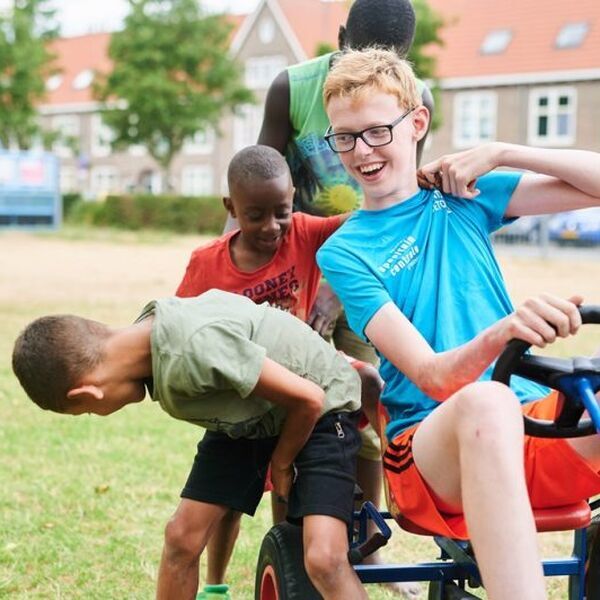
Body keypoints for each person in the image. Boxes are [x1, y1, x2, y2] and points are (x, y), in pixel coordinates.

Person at [316, 47, 600, 600]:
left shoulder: (462, 197)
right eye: (344, 138)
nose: (360, 152)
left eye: (376, 132)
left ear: (416, 123)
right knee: (485, 401)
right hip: (429, 448)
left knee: (517, 402)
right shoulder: (346, 251)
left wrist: (499, 151)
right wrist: (505, 331)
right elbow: (434, 378)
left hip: (528, 428)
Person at [244, 3, 435, 593]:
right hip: (294, 264)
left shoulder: (413, 93)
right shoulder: (291, 88)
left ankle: (365, 539)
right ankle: (292, 539)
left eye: (391, 60)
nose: (377, 68)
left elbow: (401, 197)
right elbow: (256, 181)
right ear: (341, 40)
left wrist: (341, 285)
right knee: (292, 401)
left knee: (366, 400)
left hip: (368, 267)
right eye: (362, 55)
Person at [12, 290, 368, 600]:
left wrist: (280, 462)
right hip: (250, 414)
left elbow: (308, 398)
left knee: (324, 559)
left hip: (322, 409)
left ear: (88, 393)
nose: (98, 414)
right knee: (181, 538)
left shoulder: (191, 349)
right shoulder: (145, 340)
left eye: (88, 412)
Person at [174, 144, 382, 596]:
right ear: (231, 209)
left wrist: (402, 180)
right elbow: (181, 326)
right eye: (255, 215)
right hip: (241, 404)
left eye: (281, 211)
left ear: (293, 199)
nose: (271, 227)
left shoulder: (304, 234)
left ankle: (291, 572)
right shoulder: (206, 264)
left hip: (298, 395)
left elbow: (364, 224)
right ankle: (215, 584)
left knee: (289, 493)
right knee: (227, 502)